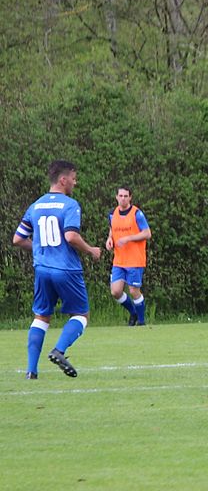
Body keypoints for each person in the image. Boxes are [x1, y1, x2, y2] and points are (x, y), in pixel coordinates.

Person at [12, 160, 102, 379]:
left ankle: (31, 371)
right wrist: (90, 250)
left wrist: (39, 248)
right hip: (66, 268)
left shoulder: (35, 206)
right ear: (63, 180)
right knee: (81, 314)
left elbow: (17, 239)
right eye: (73, 178)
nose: (75, 182)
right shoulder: (70, 205)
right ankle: (59, 350)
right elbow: (70, 236)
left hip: (42, 269)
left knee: (41, 317)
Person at [105, 186, 152, 326]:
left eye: (126, 196)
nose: (123, 199)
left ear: (130, 197)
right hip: (119, 260)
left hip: (135, 259)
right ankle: (133, 312)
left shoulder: (137, 214)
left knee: (134, 291)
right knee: (115, 291)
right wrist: (109, 239)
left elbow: (147, 233)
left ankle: (141, 322)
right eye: (120, 196)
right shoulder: (112, 214)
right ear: (116, 197)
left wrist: (128, 238)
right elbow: (112, 229)